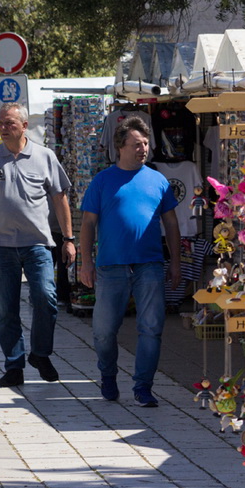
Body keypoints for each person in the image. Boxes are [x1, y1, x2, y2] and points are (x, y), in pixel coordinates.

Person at [0, 104, 75, 388]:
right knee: (6, 311)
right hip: (1, 246)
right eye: (1, 123)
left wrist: (68, 239)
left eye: (10, 123)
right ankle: (14, 366)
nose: (4, 127)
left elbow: (60, 198)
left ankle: (40, 354)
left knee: (46, 298)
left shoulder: (44, 157)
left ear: (24, 125)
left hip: (38, 244)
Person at [79, 115, 181, 407]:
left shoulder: (158, 180)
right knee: (103, 331)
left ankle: (143, 386)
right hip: (111, 267)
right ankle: (108, 375)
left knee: (151, 327)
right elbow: (87, 224)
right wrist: (86, 263)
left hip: (149, 265)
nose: (143, 149)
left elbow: (172, 224)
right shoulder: (103, 180)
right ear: (120, 147)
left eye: (146, 144)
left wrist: (174, 262)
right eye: (137, 144)